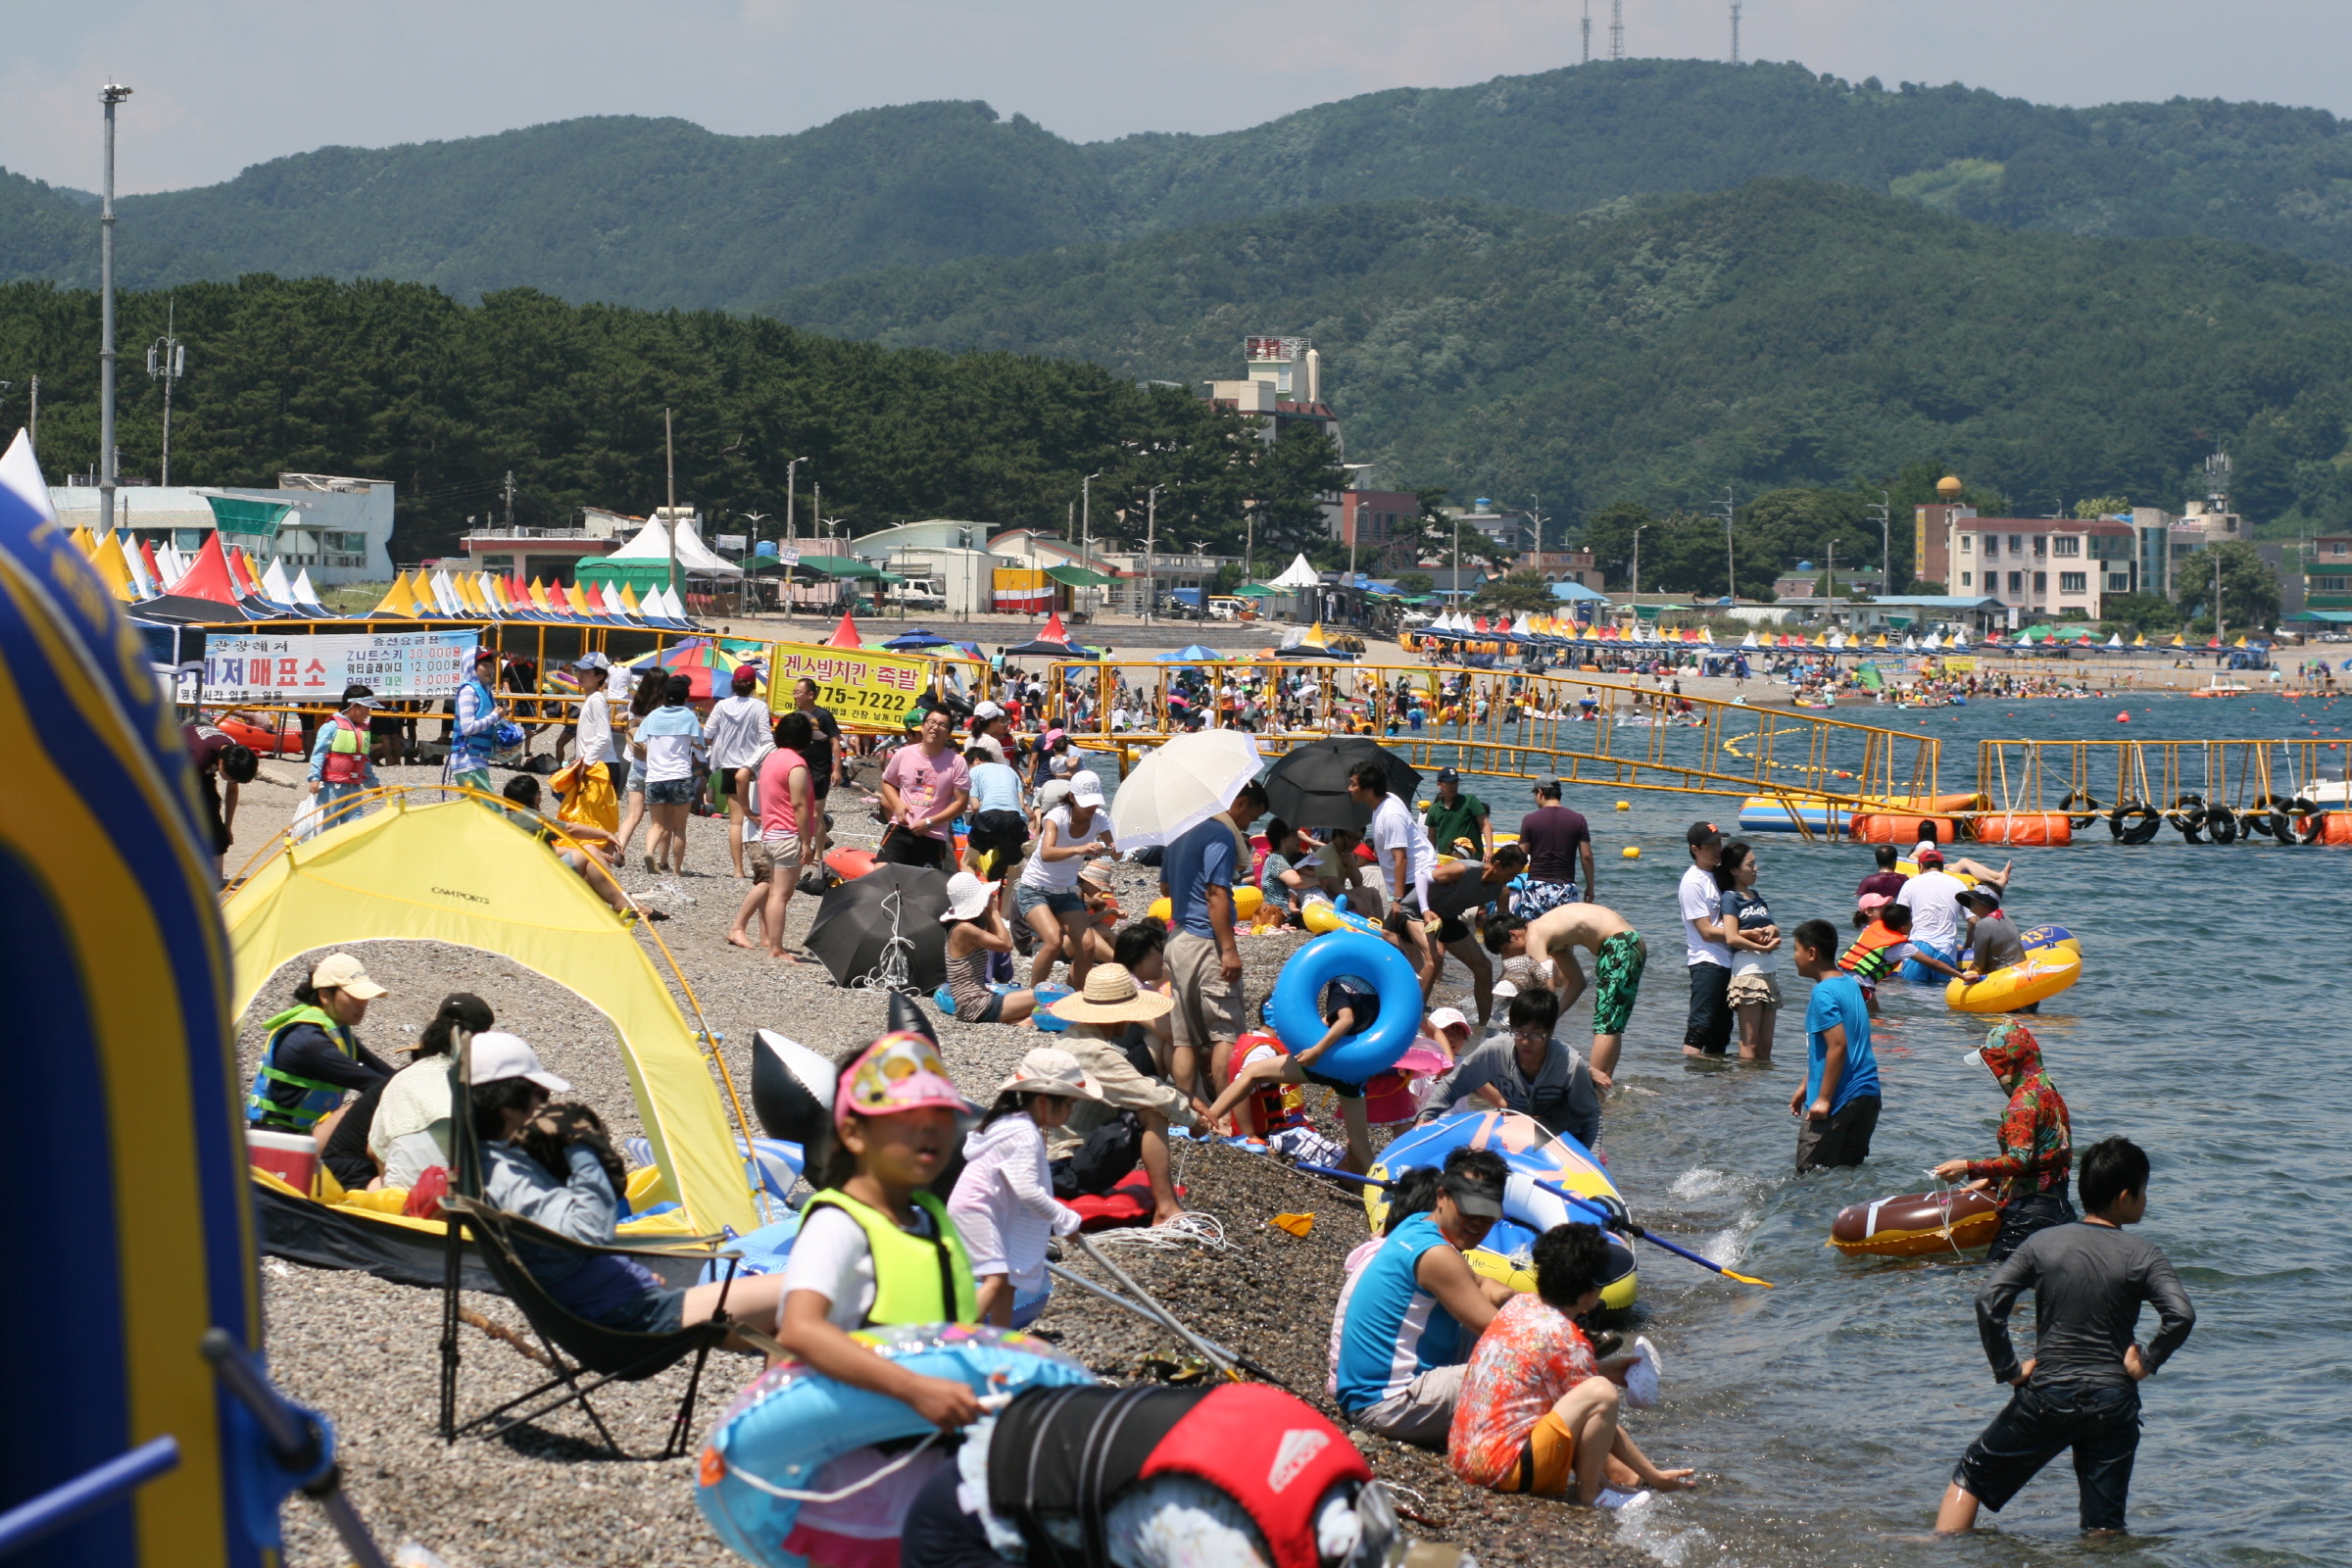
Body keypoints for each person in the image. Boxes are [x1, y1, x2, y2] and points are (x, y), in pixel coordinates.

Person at [775, 1032, 984, 1565]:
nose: (932, 1130)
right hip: (860, 1489)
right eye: (906, 1117)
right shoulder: (838, 1224)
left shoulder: (930, 1218)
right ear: (853, 1130)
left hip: (936, 1467)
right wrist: (915, 1389)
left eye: (941, 1117)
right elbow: (799, 1328)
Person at [1936, 1137, 2195, 1537]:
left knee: (1972, 1475)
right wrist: (2147, 1360)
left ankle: (1942, 1551)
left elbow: (1989, 1300)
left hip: (2049, 1392)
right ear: (2126, 1197)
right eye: (2144, 1191)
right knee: (2104, 1524)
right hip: (2114, 1400)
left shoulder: (2043, 1243)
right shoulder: (2144, 1255)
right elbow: (2180, 1315)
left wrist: (2009, 1369)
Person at [477, 1028, 788, 1335]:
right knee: (807, 1290)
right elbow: (589, 1234)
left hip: (622, 1299)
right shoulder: (512, 1178)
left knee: (798, 1309)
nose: (546, 1107)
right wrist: (581, 1147)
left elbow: (566, 1251)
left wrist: (631, 1273)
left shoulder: (491, 1164)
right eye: (541, 1095)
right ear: (508, 1106)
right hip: (634, 1316)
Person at [1449, 1222, 1694, 1507]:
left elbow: (1539, 1374)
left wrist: (1603, 1368)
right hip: (1503, 1471)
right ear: (1588, 1297)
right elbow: (1602, 1421)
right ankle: (1591, 1494)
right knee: (1602, 1393)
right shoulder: (1567, 1340)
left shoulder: (1520, 1305)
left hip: (1465, 1457)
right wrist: (1655, 1476)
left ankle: (1610, 1481)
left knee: (1591, 1388)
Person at [1333, 1152, 1515, 1446]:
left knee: (1515, 1338)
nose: (1477, 1223)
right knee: (1521, 1372)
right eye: (1469, 1210)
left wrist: (1515, 1299)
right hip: (1385, 1405)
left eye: (1487, 1215)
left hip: (1366, 1394)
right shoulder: (1436, 1255)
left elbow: (1481, 1283)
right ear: (1441, 1196)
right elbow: (1510, 1338)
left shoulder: (1418, 1223)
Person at [948, 1047, 1099, 1325]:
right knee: (994, 1279)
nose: (1070, 1112)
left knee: (1006, 1280)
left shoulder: (1014, 1123)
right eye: (1067, 1104)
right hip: (976, 1208)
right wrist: (1065, 1219)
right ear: (1043, 1100)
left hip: (980, 1206)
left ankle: (1000, 1340)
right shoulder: (1024, 1134)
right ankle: (953, 1340)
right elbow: (1028, 1190)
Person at [1047, 964, 1205, 1225]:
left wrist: (1187, 1098)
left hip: (1049, 1166)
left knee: (1150, 1096)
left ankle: (1165, 1208)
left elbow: (1139, 1083)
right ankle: (1166, 1209)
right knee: (1152, 1111)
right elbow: (1156, 1098)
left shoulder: (1072, 1037)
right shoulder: (1095, 1052)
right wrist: (1195, 1123)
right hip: (1063, 1172)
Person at [1200, 976, 1382, 1174]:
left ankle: (1207, 1119)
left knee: (1354, 1146)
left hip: (1286, 1122)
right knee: (1355, 1150)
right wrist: (1248, 1136)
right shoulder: (1264, 1050)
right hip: (1281, 1131)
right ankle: (1371, 1193)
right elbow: (1243, 1093)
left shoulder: (1253, 1041)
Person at [1159, 778, 1265, 1105]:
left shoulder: (1180, 831)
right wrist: (1229, 951)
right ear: (1240, 803)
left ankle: (1187, 1109)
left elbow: (1165, 888)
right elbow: (1216, 894)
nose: (1247, 825)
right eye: (1250, 817)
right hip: (1205, 941)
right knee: (1227, 1034)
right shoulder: (1218, 834)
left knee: (1185, 1038)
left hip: (1177, 940)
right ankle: (1225, 1114)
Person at [1933, 1020, 2075, 1261]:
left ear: (2007, 1064)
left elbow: (2019, 1160)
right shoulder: (2049, 1091)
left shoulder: (2021, 1104)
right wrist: (1995, 1179)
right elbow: (2044, 1156)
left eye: (1993, 1065)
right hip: (2060, 1206)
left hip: (2028, 1215)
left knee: (1997, 1287)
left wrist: (1967, 1167)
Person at [1417, 987, 1602, 1150]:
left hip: (1565, 1138)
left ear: (1551, 1031)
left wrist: (1590, 1160)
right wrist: (1425, 1118)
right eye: (1519, 1032)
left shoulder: (1568, 1064)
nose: (1525, 1041)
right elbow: (1453, 1086)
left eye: (1536, 1035)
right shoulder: (1495, 1051)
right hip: (1519, 1131)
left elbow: (1591, 1117)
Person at [1485, 902, 1644, 1089]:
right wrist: (1553, 1018)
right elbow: (1577, 983)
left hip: (1620, 946)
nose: (1509, 957)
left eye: (1504, 951)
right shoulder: (1554, 935)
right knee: (1612, 1023)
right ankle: (1603, 1084)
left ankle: (1590, 1088)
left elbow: (1546, 990)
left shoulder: (1534, 936)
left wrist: (1533, 1025)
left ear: (1514, 935)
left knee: (1606, 1024)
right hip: (1628, 944)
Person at [246, 952, 397, 1136]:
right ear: (324, 995)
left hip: (303, 1135)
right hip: (275, 1140)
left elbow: (387, 1075)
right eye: (354, 996)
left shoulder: (336, 1033)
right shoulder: (309, 1042)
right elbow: (373, 1083)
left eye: (364, 996)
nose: (362, 1003)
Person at [363, 992, 492, 1191]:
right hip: (457, 1205)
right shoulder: (484, 1083)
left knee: (375, 1185)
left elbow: (374, 1151)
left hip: (401, 1204)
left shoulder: (404, 1077)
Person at [1789, 918, 1882, 1171]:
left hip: (1839, 1100)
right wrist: (1804, 1086)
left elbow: (1838, 1046)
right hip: (1867, 1096)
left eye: (1795, 950)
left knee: (1809, 1178)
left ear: (1811, 953)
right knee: (1846, 1175)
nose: (1793, 957)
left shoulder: (1823, 993)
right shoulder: (1849, 983)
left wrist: (1822, 1099)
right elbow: (1837, 1046)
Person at [727, 711, 815, 959]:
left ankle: (770, 941)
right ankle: (776, 948)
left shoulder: (772, 758)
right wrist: (807, 842)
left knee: (774, 889)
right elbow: (799, 805)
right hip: (788, 834)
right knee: (781, 894)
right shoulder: (795, 764)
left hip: (771, 832)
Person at [1351, 760, 1442, 998]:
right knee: (1402, 940)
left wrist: (1397, 899)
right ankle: (1409, 988)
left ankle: (1413, 1001)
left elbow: (1400, 858)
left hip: (1414, 881)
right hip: (1411, 879)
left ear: (1368, 788)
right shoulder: (1385, 800)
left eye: (1353, 784)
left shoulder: (1389, 814)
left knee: (1395, 938)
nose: (1349, 789)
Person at [1017, 769, 1113, 988]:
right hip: (1035, 887)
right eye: (1086, 802)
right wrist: (1082, 848)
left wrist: (1115, 845)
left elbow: (1115, 853)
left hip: (1066, 891)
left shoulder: (1100, 819)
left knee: (1087, 946)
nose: (1091, 807)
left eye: (1094, 802)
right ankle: (1032, 996)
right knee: (1053, 941)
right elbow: (1046, 853)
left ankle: (1074, 996)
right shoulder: (1056, 816)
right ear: (1072, 797)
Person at [498, 775, 636, 916]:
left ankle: (625, 904)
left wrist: (582, 852)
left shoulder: (511, 818)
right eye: (539, 793)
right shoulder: (529, 817)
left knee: (589, 853)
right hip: (536, 882)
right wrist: (605, 834)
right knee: (589, 851)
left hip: (522, 879)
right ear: (534, 797)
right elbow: (569, 829)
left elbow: (550, 850)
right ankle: (622, 904)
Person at [878, 706, 971, 871]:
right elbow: (887, 782)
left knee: (921, 888)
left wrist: (929, 822)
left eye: (942, 725)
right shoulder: (903, 753)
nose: (935, 727)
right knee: (881, 874)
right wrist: (898, 804)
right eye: (931, 722)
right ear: (923, 726)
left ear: (949, 733)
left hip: (933, 835)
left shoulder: (957, 762)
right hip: (900, 828)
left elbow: (961, 803)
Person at [942, 870, 1038, 1024]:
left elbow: (996, 942)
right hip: (975, 1006)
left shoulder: (961, 927)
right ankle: (1025, 1021)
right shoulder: (964, 929)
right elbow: (1006, 945)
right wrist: (993, 912)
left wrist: (987, 913)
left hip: (976, 1003)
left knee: (1044, 996)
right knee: (1045, 996)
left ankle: (1022, 1020)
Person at [1716, 840, 1782, 1062]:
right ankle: (1744, 1087)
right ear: (1734, 870)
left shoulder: (1755, 895)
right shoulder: (1730, 898)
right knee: (1749, 1043)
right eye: (1750, 864)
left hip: (1768, 972)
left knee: (1766, 1047)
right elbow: (1731, 937)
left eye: (1755, 864)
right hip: (1748, 974)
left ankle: (1757, 1094)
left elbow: (1771, 926)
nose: (1756, 869)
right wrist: (1761, 945)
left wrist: (1773, 930)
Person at [703, 666, 771, 880]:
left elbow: (707, 734)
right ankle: (761, 863)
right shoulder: (759, 707)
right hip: (754, 767)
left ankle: (737, 870)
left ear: (733, 683)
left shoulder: (722, 705)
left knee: (736, 820)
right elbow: (766, 738)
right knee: (758, 817)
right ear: (753, 685)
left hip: (730, 766)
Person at [633, 675, 702, 876]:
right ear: (685, 696)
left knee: (657, 824)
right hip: (679, 775)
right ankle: (677, 870)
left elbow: (639, 739)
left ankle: (649, 852)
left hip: (655, 776)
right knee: (679, 828)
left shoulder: (653, 715)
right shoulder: (689, 716)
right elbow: (698, 744)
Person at [1679, 823, 1736, 1056]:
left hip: (1728, 962)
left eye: (1719, 843)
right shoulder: (1693, 882)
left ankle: (1712, 1087)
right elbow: (1705, 930)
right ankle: (1688, 1083)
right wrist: (1742, 936)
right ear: (1695, 849)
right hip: (1706, 962)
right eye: (1711, 845)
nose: (1717, 849)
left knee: (1721, 1033)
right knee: (1699, 1029)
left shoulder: (1720, 876)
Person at [307, 684, 380, 835]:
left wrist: (373, 784)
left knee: (355, 827)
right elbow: (319, 753)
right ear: (354, 706)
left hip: (354, 788)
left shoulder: (363, 730)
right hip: (332, 788)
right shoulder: (332, 726)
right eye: (366, 709)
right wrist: (314, 778)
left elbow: (364, 761)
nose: (368, 713)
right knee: (327, 825)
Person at [186, 720, 259, 875]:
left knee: (214, 818)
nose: (232, 782)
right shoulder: (199, 757)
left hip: (203, 764)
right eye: (231, 778)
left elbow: (232, 790)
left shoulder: (235, 752)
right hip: (177, 760)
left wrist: (227, 827)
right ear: (221, 764)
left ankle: (216, 877)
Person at [611, 669, 666, 863]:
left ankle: (619, 848)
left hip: (636, 763)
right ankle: (653, 854)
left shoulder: (634, 704)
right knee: (659, 821)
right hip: (657, 767)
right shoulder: (664, 710)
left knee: (633, 815)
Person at [960, 741, 1029, 900]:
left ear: (976, 761)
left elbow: (976, 806)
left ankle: (977, 902)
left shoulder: (975, 771)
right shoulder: (1011, 771)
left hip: (989, 817)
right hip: (1014, 819)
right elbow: (1020, 804)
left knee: (967, 863)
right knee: (1014, 872)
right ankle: (1005, 916)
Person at [1517, 780, 1593, 916]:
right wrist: (1590, 887)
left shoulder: (1530, 819)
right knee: (1564, 934)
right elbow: (1586, 857)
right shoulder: (1578, 819)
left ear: (1540, 792)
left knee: (1533, 933)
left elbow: (1521, 855)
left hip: (1537, 886)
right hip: (1565, 888)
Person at [790, 677, 845, 863]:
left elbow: (835, 743)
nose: (796, 696)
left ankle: (819, 854)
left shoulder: (823, 716)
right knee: (797, 810)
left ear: (811, 694)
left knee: (816, 813)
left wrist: (836, 769)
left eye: (799, 692)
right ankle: (799, 848)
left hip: (819, 770)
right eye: (795, 692)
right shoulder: (796, 716)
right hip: (798, 770)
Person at [567, 653, 625, 799]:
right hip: (596, 764)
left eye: (586, 672)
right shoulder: (591, 699)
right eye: (580, 671)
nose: (580, 675)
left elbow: (604, 738)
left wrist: (585, 762)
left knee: (594, 819)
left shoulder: (597, 700)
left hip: (601, 767)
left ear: (599, 677)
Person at [450, 648, 505, 798]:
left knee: (474, 811)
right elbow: (467, 728)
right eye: (484, 665)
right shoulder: (469, 691)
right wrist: (494, 716)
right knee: (489, 808)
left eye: (491, 664)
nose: (490, 669)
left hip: (478, 758)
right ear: (471, 667)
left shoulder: (485, 690)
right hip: (467, 759)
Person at [1422, 767, 1493, 860]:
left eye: (1455, 782)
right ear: (1439, 785)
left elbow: (1485, 824)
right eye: (1449, 783)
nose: (1453, 786)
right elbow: (1431, 839)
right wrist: (1429, 858)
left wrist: (1489, 849)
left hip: (1472, 858)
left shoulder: (1469, 801)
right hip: (1447, 859)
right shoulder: (1434, 809)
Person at [1855, 844, 1908, 908]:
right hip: (1896, 914)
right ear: (1895, 861)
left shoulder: (1868, 881)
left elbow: (1858, 899)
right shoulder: (1904, 880)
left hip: (1876, 913)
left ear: (1877, 860)